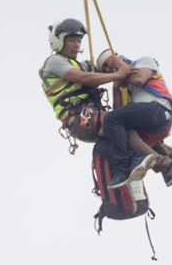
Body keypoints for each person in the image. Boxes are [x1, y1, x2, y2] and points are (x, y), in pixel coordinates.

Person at [39, 18, 163, 179]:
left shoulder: (82, 65)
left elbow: (103, 67)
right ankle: (146, 164)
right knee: (119, 124)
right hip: (79, 120)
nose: (76, 45)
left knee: (132, 131)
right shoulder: (54, 62)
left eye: (78, 40)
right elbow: (83, 78)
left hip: (90, 116)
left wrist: (133, 68)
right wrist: (117, 74)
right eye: (71, 40)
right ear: (58, 41)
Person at [96, 48, 172, 189]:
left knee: (111, 119)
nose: (109, 69)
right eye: (106, 69)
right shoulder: (125, 84)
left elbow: (138, 79)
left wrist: (119, 65)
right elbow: (118, 115)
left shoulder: (143, 61)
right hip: (152, 122)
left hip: (158, 109)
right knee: (126, 134)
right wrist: (116, 85)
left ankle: (122, 169)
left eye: (108, 63)